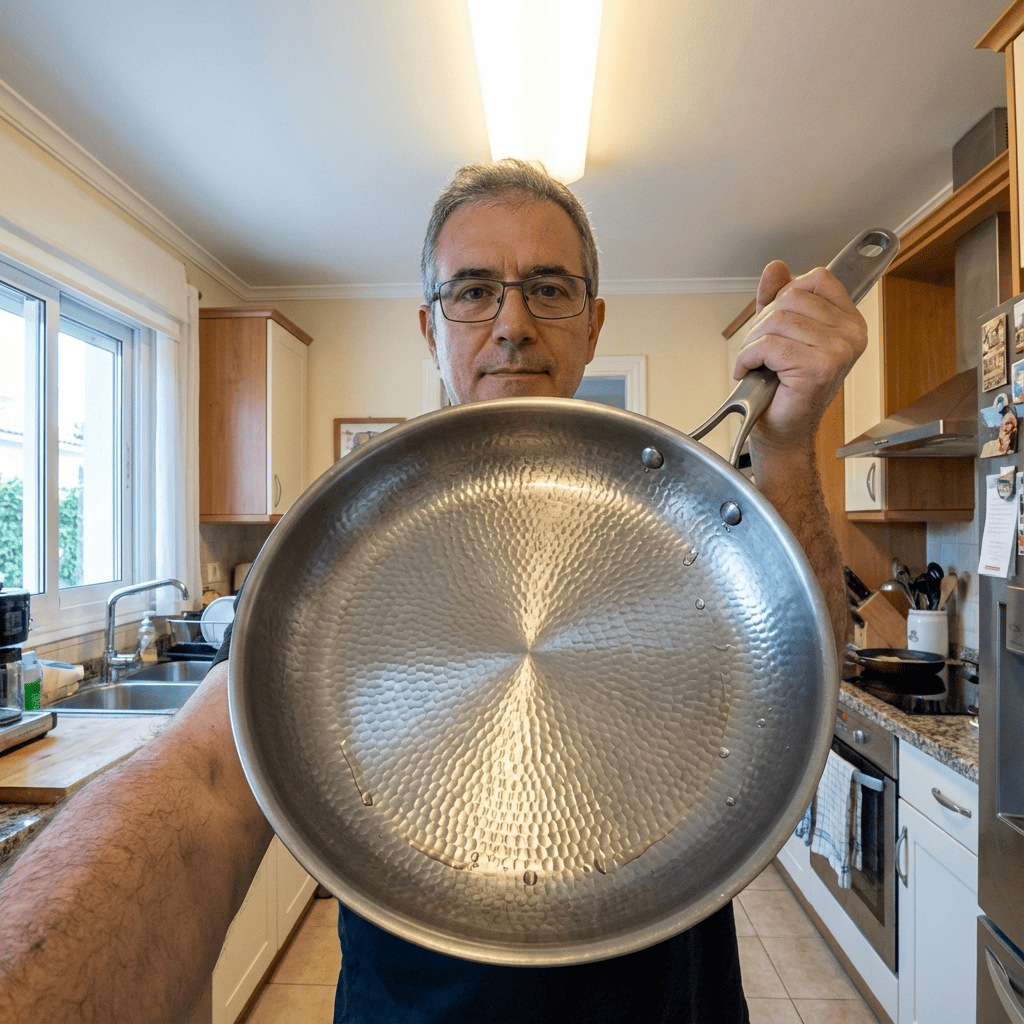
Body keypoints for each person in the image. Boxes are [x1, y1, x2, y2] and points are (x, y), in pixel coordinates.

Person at [0, 159, 865, 1023]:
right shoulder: (343, 544)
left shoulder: (678, 523)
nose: (513, 324)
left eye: (550, 289)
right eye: (474, 289)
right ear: (430, 325)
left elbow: (801, 686)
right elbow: (212, 782)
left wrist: (788, 447)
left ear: (595, 323)